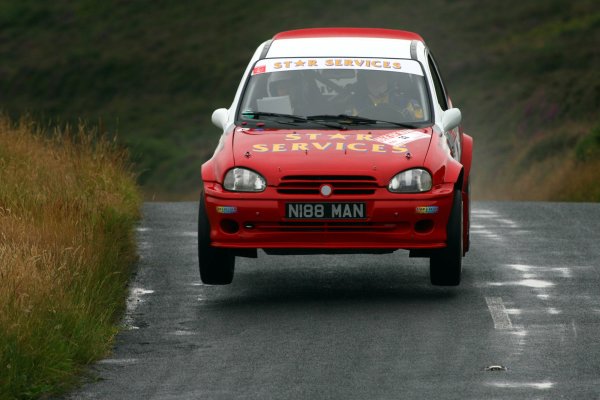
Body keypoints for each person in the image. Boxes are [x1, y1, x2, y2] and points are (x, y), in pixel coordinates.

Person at [350, 71, 424, 121]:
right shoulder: (354, 104)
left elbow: (421, 126)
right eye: (371, 79)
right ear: (364, 82)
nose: (376, 82)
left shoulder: (406, 102)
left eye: (380, 78)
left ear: (389, 81)